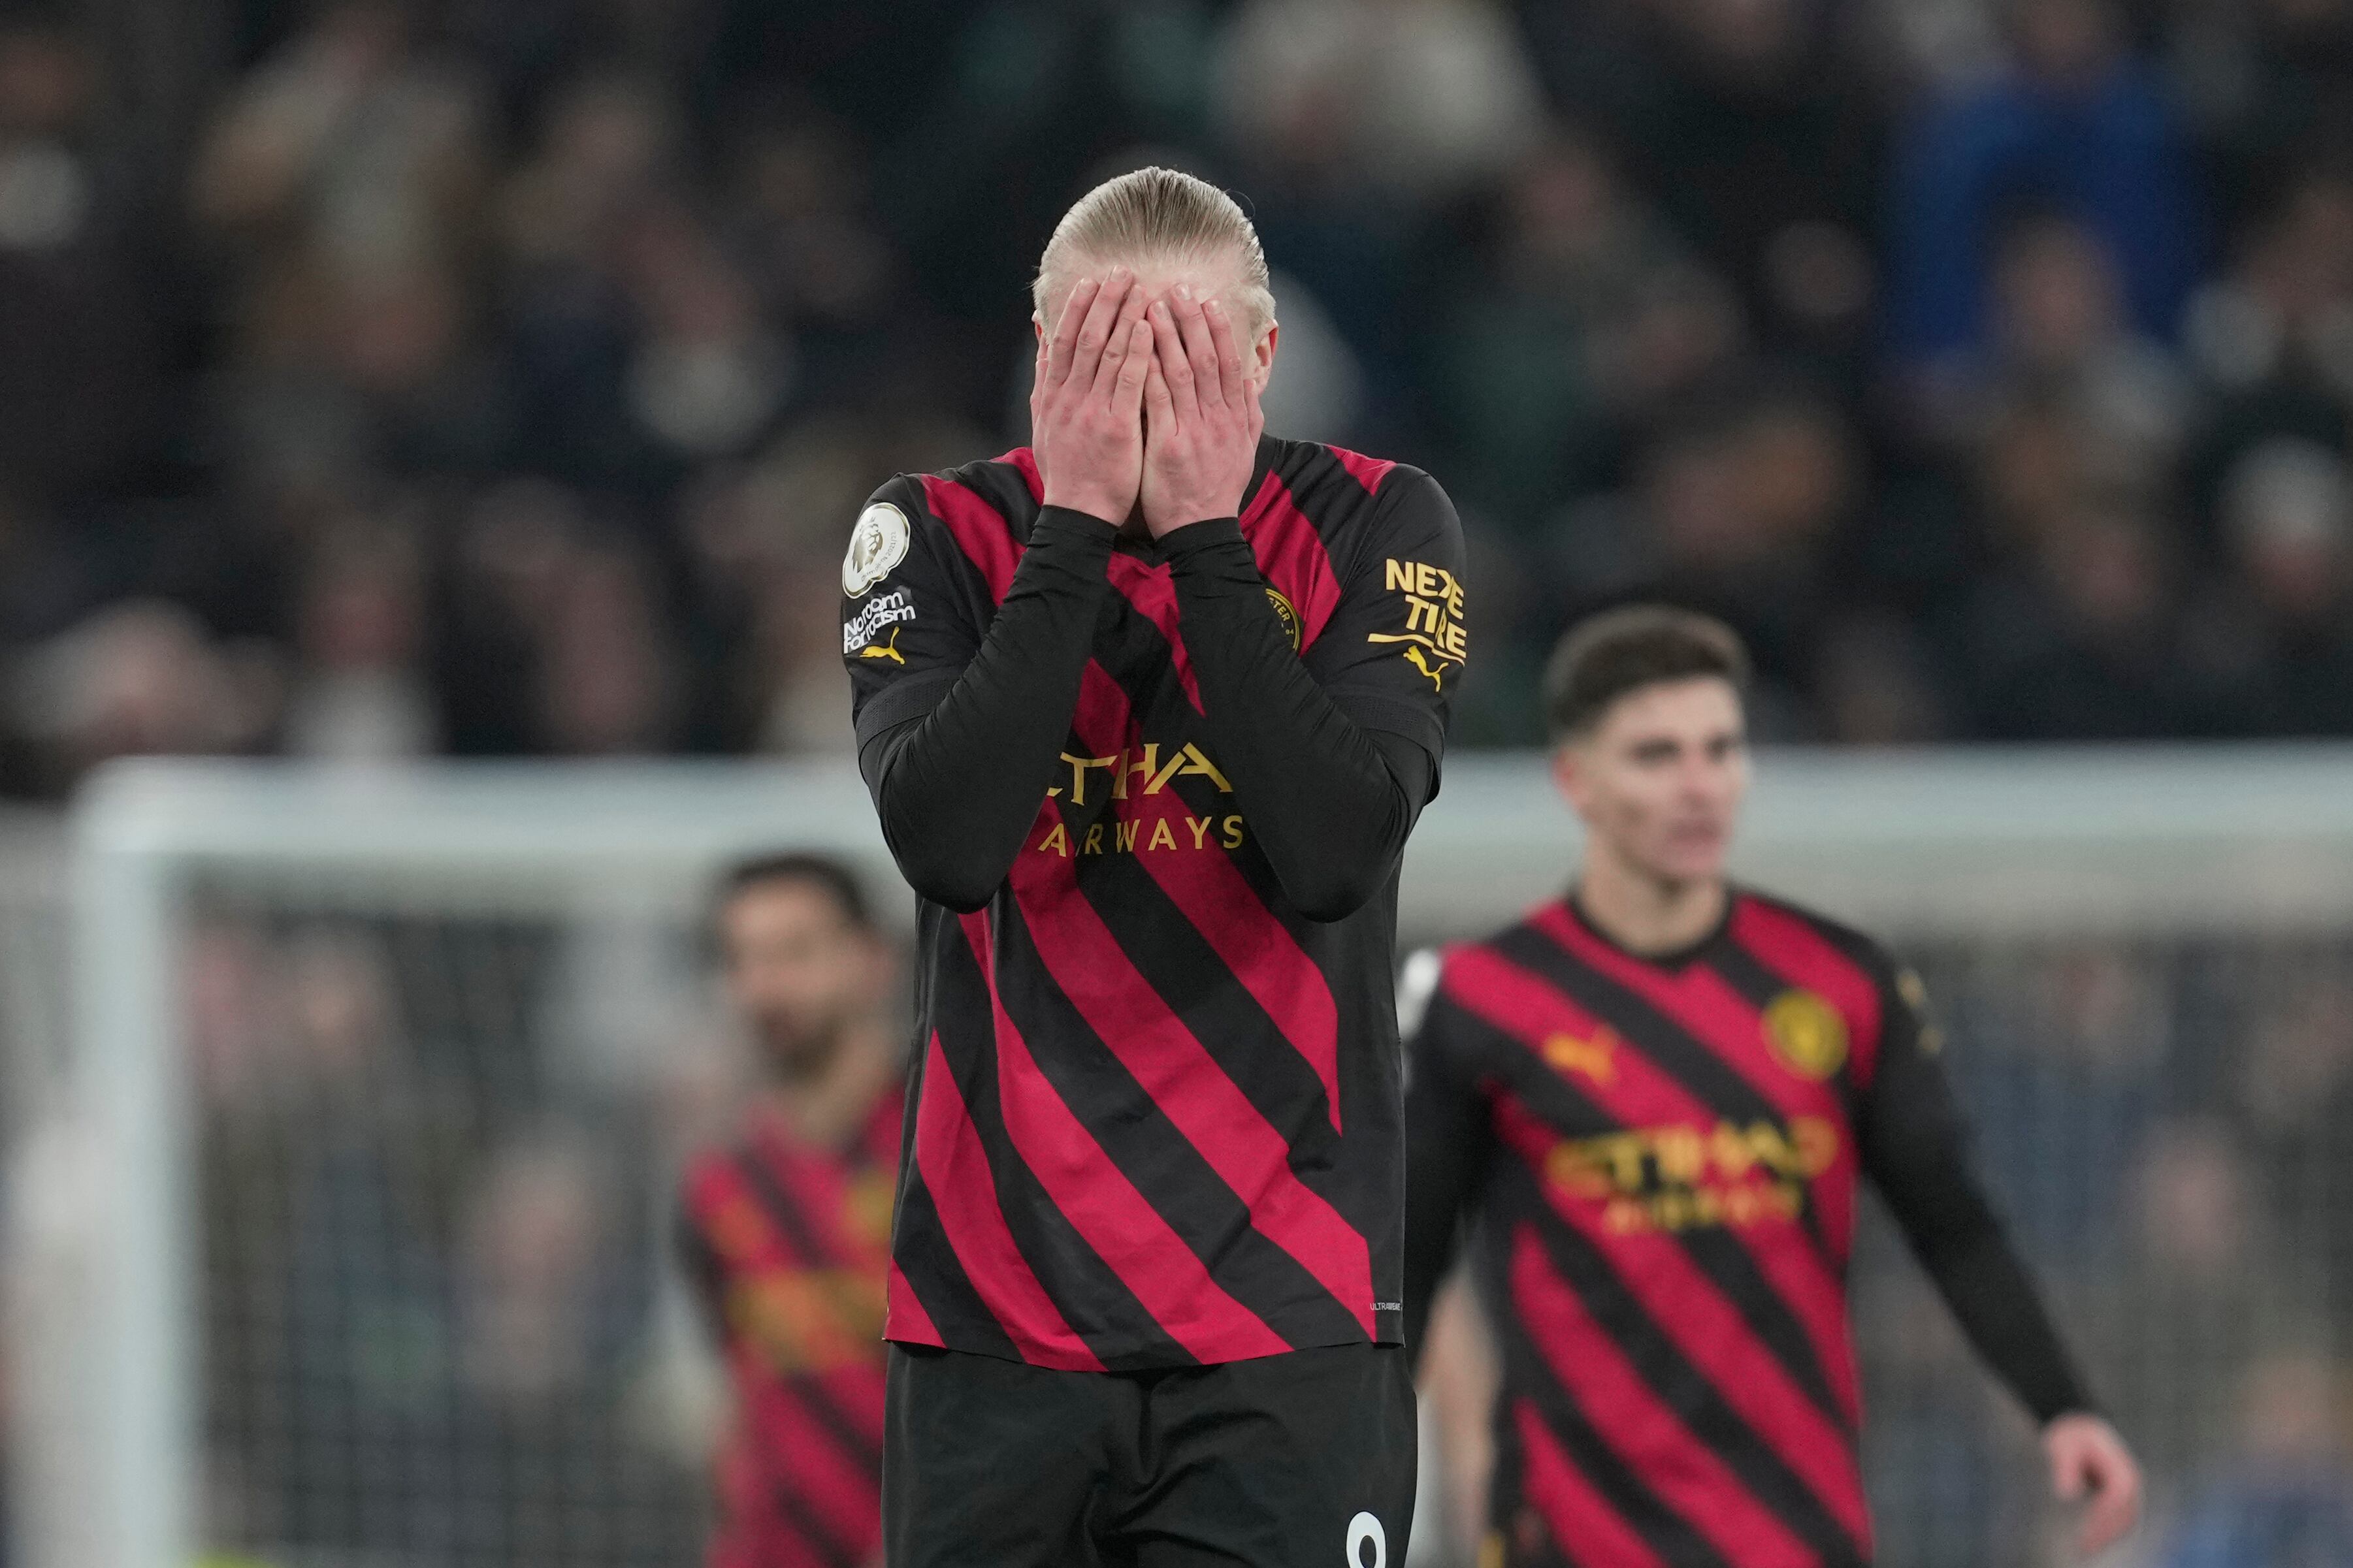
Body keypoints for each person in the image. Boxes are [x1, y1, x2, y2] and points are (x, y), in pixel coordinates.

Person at [842, 165, 1464, 1566]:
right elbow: (947, 844)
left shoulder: (1376, 521)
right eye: (1103, 351)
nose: (1144, 393)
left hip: (1287, 1312)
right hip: (994, 1315)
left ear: (1265, 357)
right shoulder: (933, 536)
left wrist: (1201, 538)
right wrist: (1069, 528)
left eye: (1187, 355)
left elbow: (1335, 850)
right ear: (1039, 355)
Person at [1401, 605, 2142, 1567]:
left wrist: (2062, 1406)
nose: (1698, 785)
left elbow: (1953, 1224)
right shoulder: (1485, 1000)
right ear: (1575, 780)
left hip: (1791, 1530)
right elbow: (1409, 1266)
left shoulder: (1840, 985)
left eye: (1720, 749)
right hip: (1566, 1534)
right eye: (1656, 755)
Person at [677, 854, 903, 1568]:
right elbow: (736, 1392)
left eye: (794, 953)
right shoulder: (716, 1187)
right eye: (741, 959)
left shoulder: (944, 1157)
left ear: (873, 961)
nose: (763, 986)